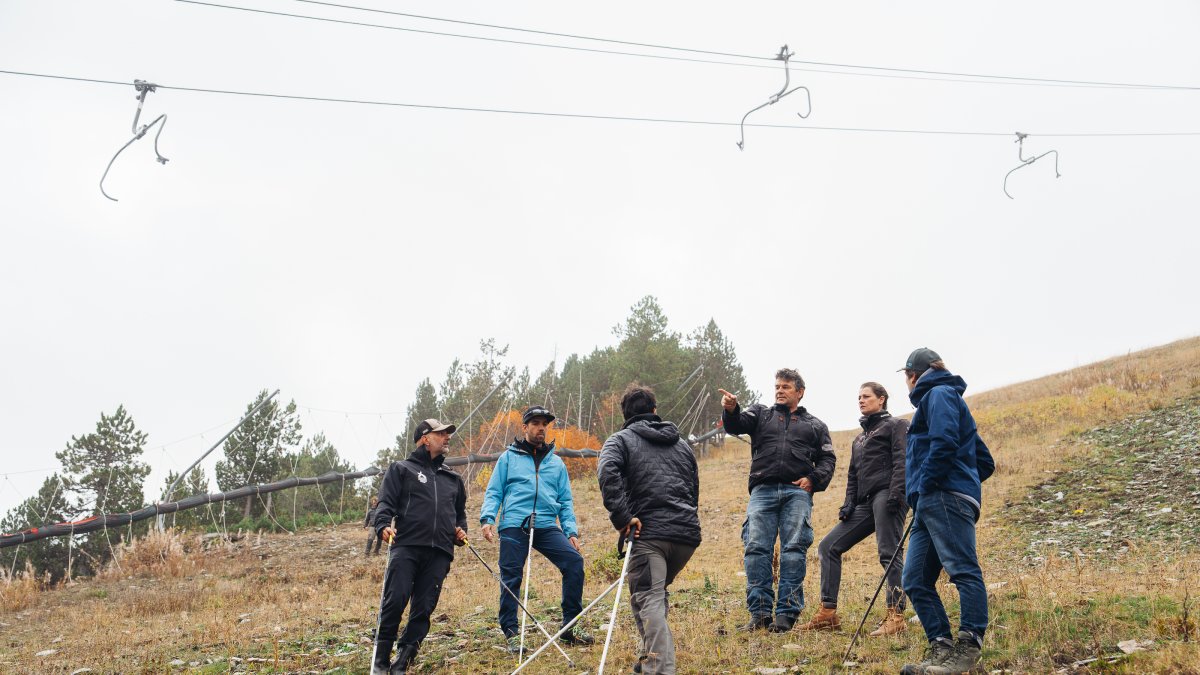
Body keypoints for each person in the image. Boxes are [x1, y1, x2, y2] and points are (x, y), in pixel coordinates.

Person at [897, 349, 995, 675]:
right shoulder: (948, 398)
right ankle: (940, 648)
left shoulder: (937, 394)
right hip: (933, 500)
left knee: (962, 569)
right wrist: (961, 481)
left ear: (913, 374)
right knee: (914, 579)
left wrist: (933, 483)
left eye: (906, 376)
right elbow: (984, 462)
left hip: (940, 496)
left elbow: (943, 442)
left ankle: (968, 647)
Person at [720, 368, 837, 633]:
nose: (779, 390)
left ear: (800, 392)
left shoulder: (816, 425)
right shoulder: (761, 414)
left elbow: (828, 459)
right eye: (777, 386)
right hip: (762, 491)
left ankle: (786, 615)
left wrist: (814, 480)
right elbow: (736, 424)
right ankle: (759, 614)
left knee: (794, 551)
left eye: (786, 387)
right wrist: (731, 408)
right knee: (756, 549)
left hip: (797, 494)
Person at [597, 385, 701, 675]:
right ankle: (648, 659)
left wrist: (622, 517)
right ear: (654, 410)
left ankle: (660, 668)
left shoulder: (619, 441)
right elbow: (693, 488)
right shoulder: (682, 445)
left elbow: (607, 473)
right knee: (648, 593)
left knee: (649, 597)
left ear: (625, 414)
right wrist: (686, 517)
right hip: (686, 536)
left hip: (650, 535)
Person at [479, 405, 592, 651]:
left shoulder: (557, 463)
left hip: (546, 526)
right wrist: (488, 519)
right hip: (514, 525)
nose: (541, 428)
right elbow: (494, 491)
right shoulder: (507, 458)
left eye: (545, 424)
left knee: (574, 563)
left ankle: (569, 628)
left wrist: (570, 532)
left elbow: (565, 501)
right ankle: (510, 633)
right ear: (525, 427)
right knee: (511, 577)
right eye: (536, 423)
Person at [801, 382, 908, 635]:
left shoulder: (896, 426)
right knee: (828, 546)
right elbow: (852, 475)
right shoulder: (859, 439)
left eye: (866, 396)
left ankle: (896, 616)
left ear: (881, 399)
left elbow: (903, 459)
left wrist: (896, 493)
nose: (861, 400)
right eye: (859, 397)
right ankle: (828, 613)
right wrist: (849, 504)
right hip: (865, 502)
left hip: (888, 495)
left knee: (888, 552)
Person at [371, 419, 468, 675]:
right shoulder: (401, 469)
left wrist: (461, 531)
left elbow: (460, 516)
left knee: (424, 609)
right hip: (407, 547)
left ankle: (402, 663)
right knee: (396, 599)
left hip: (440, 553)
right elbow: (385, 504)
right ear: (425, 438)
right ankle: (380, 662)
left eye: (448, 433)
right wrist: (383, 525)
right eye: (441, 433)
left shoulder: (453, 479)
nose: (447, 437)